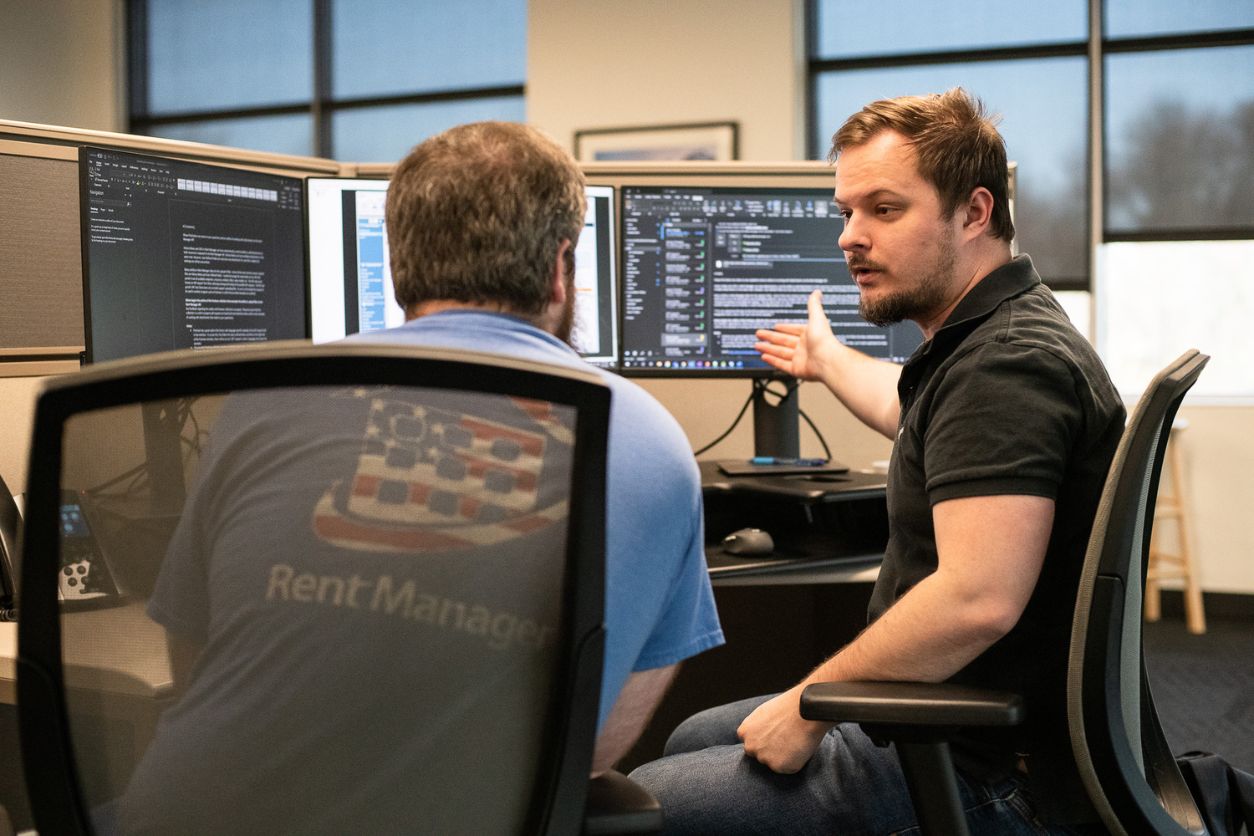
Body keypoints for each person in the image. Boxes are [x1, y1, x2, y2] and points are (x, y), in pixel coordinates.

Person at [119, 121, 723, 833]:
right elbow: (590, 748)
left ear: (397, 259)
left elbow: (194, 661)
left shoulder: (266, 396)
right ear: (563, 267)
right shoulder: (643, 434)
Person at [629, 88, 1125, 833]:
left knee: (644, 807)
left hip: (983, 772)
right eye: (846, 211)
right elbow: (911, 411)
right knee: (694, 737)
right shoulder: (994, 336)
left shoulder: (1005, 369)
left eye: (884, 210)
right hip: (962, 725)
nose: (849, 238)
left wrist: (808, 704)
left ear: (975, 212)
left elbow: (975, 599)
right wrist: (829, 361)